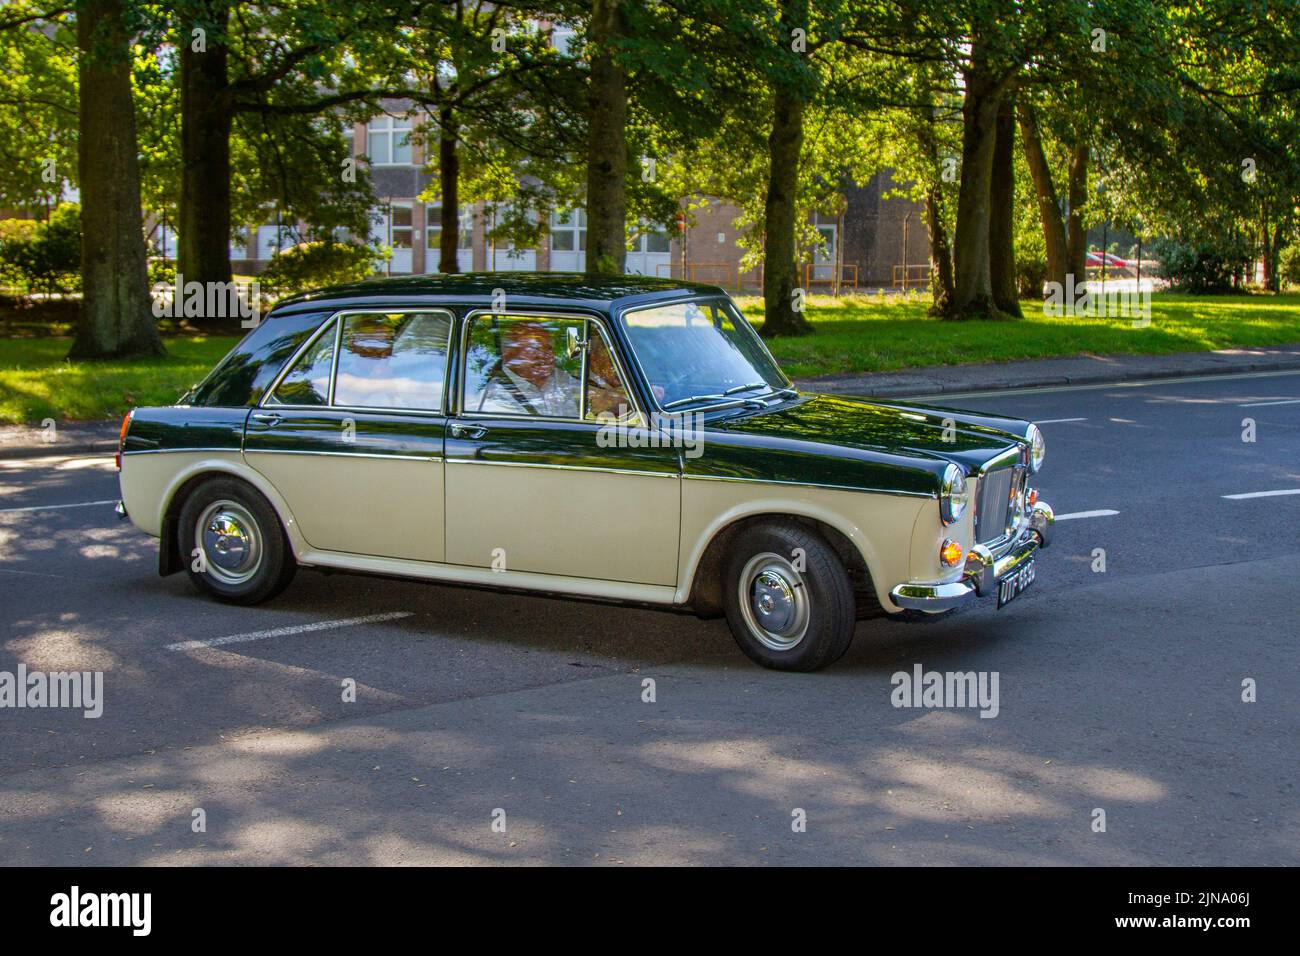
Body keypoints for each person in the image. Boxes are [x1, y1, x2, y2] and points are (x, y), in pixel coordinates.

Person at [475, 320, 581, 417]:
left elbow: (587, 393)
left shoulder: (556, 376)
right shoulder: (495, 396)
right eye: (534, 348)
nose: (543, 355)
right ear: (508, 354)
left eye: (549, 348)